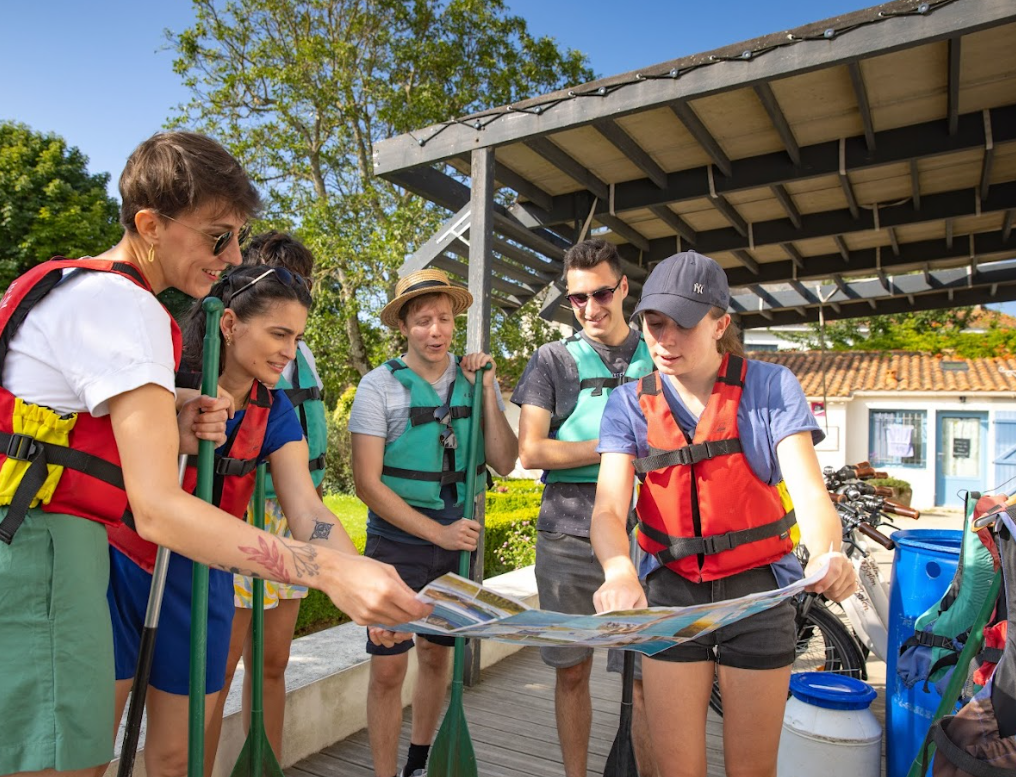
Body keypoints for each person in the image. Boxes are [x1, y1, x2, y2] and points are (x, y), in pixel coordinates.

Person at [0, 131, 428, 777]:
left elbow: (62, 429)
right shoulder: (125, 305)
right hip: (31, 566)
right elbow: (156, 509)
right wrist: (329, 570)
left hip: (4, 554)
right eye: (218, 236)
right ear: (150, 224)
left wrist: (170, 413)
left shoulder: (76, 286)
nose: (231, 256)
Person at [590, 250, 857, 777]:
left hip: (760, 597)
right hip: (671, 597)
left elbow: (810, 495)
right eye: (655, 323)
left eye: (683, 325)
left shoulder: (772, 387)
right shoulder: (626, 404)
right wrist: (619, 569)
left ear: (720, 324)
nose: (665, 340)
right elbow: (608, 508)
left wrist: (829, 555)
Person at [107, 257, 362, 777]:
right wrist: (177, 405)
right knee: (85, 755)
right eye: (278, 334)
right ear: (230, 324)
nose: (290, 352)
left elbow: (307, 509)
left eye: (296, 338)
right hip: (125, 568)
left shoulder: (275, 409)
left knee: (177, 757)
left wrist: (357, 573)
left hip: (203, 581)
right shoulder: (163, 377)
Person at [350, 269, 519, 777]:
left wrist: (487, 389)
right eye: (423, 320)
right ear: (404, 325)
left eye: (444, 318)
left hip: (456, 542)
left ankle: (418, 764)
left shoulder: (473, 381)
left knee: (437, 660)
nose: (435, 330)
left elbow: (505, 462)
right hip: (396, 543)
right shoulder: (378, 386)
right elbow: (366, 484)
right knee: (387, 667)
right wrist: (437, 534)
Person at [510, 238, 655, 777]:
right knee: (571, 671)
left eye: (600, 294)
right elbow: (532, 450)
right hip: (567, 535)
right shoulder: (552, 359)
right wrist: (620, 446)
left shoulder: (658, 351)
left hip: (649, 537)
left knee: (643, 677)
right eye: (576, 299)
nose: (590, 308)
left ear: (623, 289)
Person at [204, 232, 329, 771]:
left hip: (286, 522)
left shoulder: (288, 375)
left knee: (272, 663)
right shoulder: (200, 367)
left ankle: (265, 766)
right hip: (229, 523)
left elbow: (309, 504)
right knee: (217, 670)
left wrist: (339, 564)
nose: (289, 345)